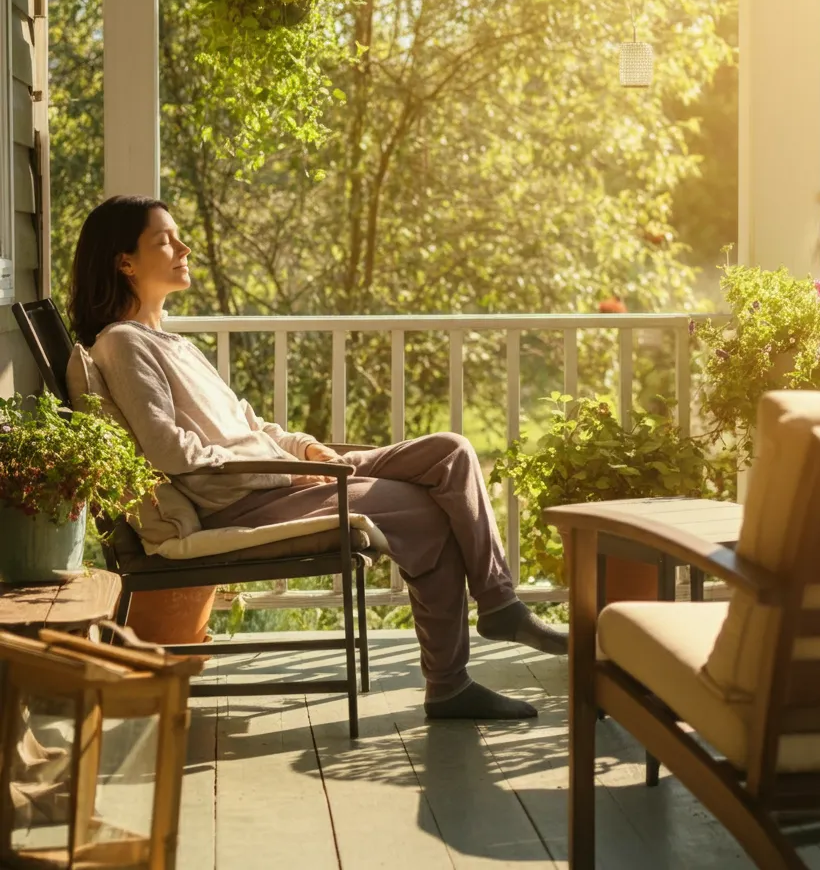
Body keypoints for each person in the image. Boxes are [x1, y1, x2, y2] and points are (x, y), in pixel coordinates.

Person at [68, 195, 567, 720]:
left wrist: (302, 447)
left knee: (451, 451)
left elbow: (250, 423)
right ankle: (449, 683)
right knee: (426, 511)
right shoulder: (123, 345)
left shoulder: (172, 343)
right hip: (247, 501)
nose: (183, 247)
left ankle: (499, 604)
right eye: (164, 240)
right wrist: (284, 467)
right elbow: (169, 450)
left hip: (282, 477)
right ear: (124, 262)